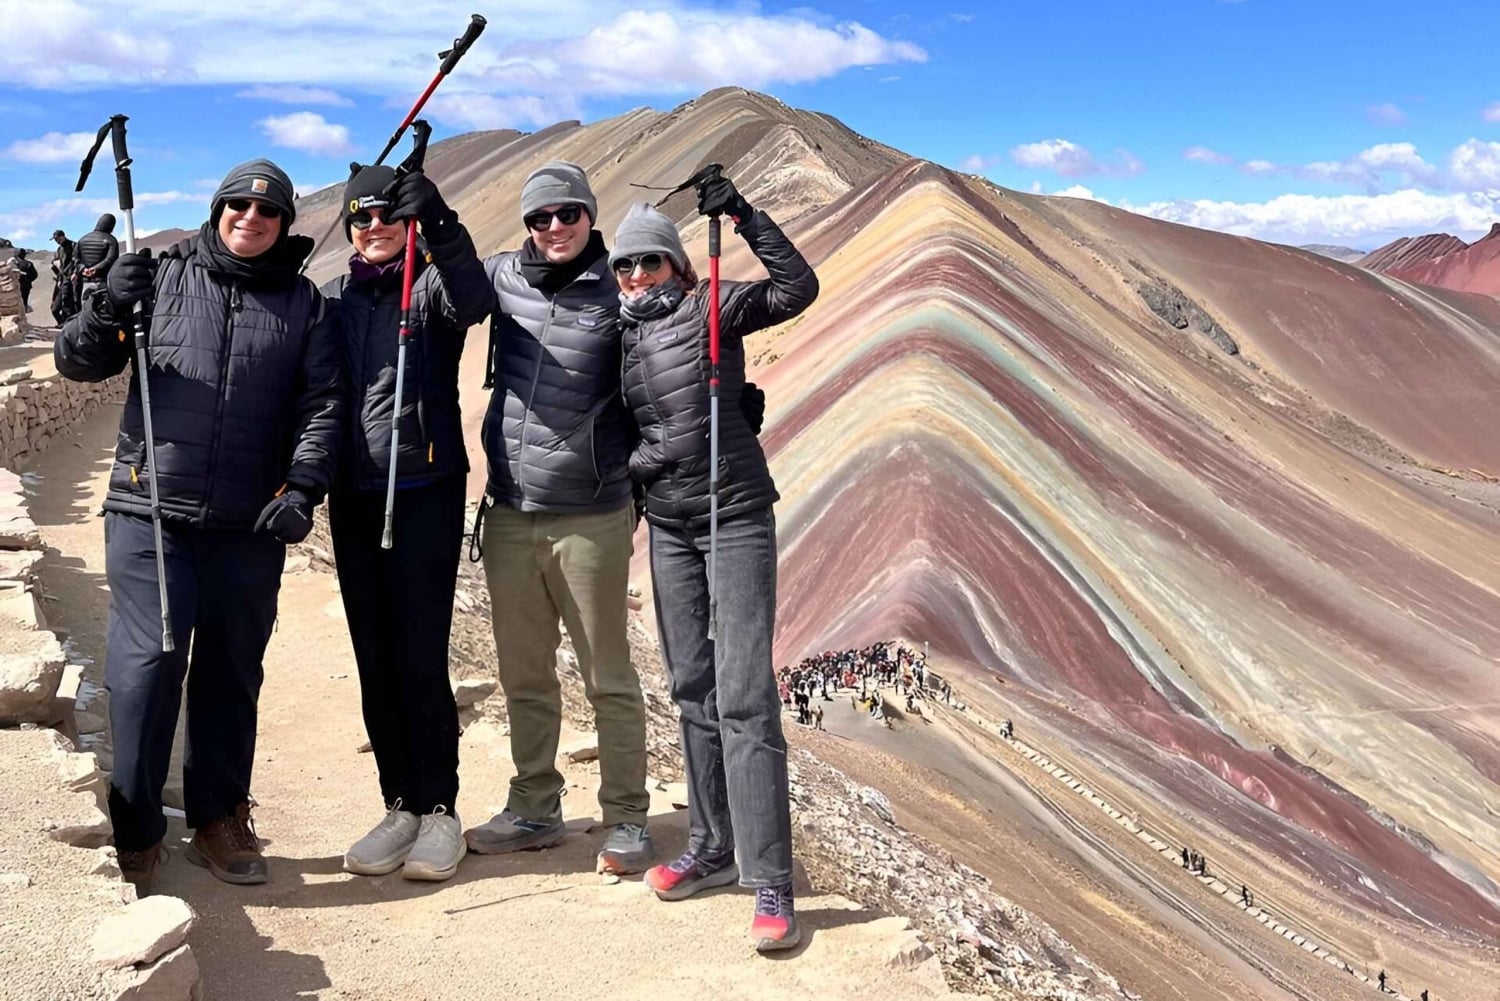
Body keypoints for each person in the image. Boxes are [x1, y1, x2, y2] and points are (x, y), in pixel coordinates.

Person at [54, 159, 342, 894]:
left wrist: (304, 487)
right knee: (149, 662)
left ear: (284, 223)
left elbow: (322, 405)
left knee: (231, 668)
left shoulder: (304, 304)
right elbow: (77, 363)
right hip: (151, 508)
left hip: (249, 520)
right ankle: (137, 821)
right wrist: (106, 309)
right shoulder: (160, 278)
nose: (252, 217)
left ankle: (217, 817)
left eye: (268, 210)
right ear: (217, 210)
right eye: (238, 204)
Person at [613, 178, 818, 953]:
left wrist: (742, 216)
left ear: (677, 265)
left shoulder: (716, 308)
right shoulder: (621, 335)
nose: (636, 279)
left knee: (743, 692)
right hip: (666, 525)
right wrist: (647, 459)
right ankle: (709, 843)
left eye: (650, 265)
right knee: (690, 686)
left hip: (733, 516)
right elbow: (608, 428)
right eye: (625, 268)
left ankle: (772, 880)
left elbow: (798, 287)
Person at [463, 162, 655, 876]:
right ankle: (534, 806)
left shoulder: (623, 286)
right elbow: (446, 280)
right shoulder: (502, 276)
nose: (554, 228)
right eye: (540, 217)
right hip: (510, 510)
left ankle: (628, 817)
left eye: (567, 213)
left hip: (592, 514)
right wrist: (424, 213)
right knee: (524, 672)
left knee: (608, 673)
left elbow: (675, 354)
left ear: (589, 214)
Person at [323, 164, 494, 882]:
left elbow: (475, 298)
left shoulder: (428, 287)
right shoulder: (333, 299)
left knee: (420, 650)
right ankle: (398, 802)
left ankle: (440, 810)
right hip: (353, 491)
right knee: (374, 655)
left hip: (423, 483)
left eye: (389, 216)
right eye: (361, 219)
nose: (374, 228)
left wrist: (444, 223)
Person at [74, 212, 120, 299]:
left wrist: (83, 269)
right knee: (104, 309)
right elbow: (111, 259)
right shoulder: (111, 240)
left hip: (85, 282)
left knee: (86, 309)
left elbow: (75, 259)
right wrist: (96, 268)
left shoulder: (82, 240)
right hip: (103, 282)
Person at [50, 230, 79, 325]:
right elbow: (60, 265)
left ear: (62, 237)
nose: (56, 241)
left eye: (57, 239)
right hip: (63, 278)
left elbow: (77, 261)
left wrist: (74, 272)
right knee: (58, 304)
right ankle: (63, 322)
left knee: (68, 301)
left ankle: (69, 323)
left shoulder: (73, 246)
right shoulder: (59, 250)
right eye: (55, 240)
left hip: (72, 278)